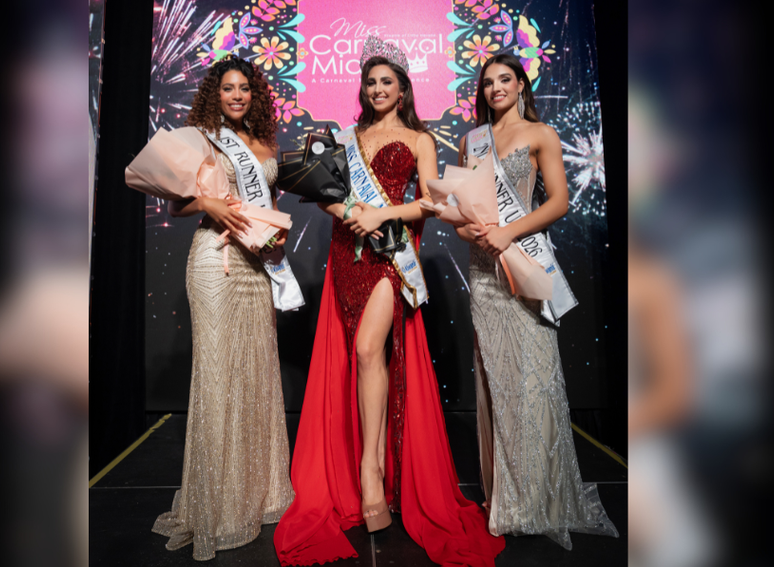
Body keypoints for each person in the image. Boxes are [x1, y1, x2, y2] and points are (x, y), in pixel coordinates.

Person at [274, 37, 506, 566]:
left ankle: (372, 473)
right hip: (346, 252)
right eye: (371, 82)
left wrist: (380, 216)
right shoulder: (346, 136)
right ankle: (366, 471)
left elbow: (429, 201)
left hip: (390, 255)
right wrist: (346, 213)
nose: (378, 89)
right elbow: (326, 192)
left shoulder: (419, 138)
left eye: (387, 82)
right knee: (360, 355)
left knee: (365, 350)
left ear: (403, 90)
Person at [455, 53, 618, 549]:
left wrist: (508, 231)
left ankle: (544, 497)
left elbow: (558, 202)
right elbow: (463, 203)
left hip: (523, 262)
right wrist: (469, 227)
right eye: (487, 82)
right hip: (484, 271)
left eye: (505, 79)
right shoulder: (471, 140)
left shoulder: (540, 135)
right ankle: (508, 499)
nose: (496, 88)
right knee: (498, 383)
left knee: (535, 380)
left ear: (521, 84)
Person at [151, 55, 295, 560]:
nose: (237, 96)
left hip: (255, 269)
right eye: (228, 88)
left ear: (255, 95)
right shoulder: (203, 137)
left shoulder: (266, 144)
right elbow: (176, 203)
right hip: (215, 263)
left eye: (245, 89)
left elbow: (264, 205)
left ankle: (255, 492)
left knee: (254, 374)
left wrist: (275, 241)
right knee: (216, 377)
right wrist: (208, 204)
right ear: (217, 94)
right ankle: (213, 505)